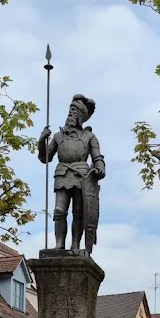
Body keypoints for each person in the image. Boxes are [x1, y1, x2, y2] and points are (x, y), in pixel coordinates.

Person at [38, 94, 105, 254]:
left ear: (81, 115)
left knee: (78, 212)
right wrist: (41, 141)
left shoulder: (89, 137)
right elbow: (45, 157)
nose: (71, 114)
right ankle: (59, 244)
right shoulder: (58, 136)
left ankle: (75, 245)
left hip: (82, 176)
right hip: (62, 174)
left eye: (75, 111)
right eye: (70, 110)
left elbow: (98, 157)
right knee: (59, 211)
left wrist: (100, 167)